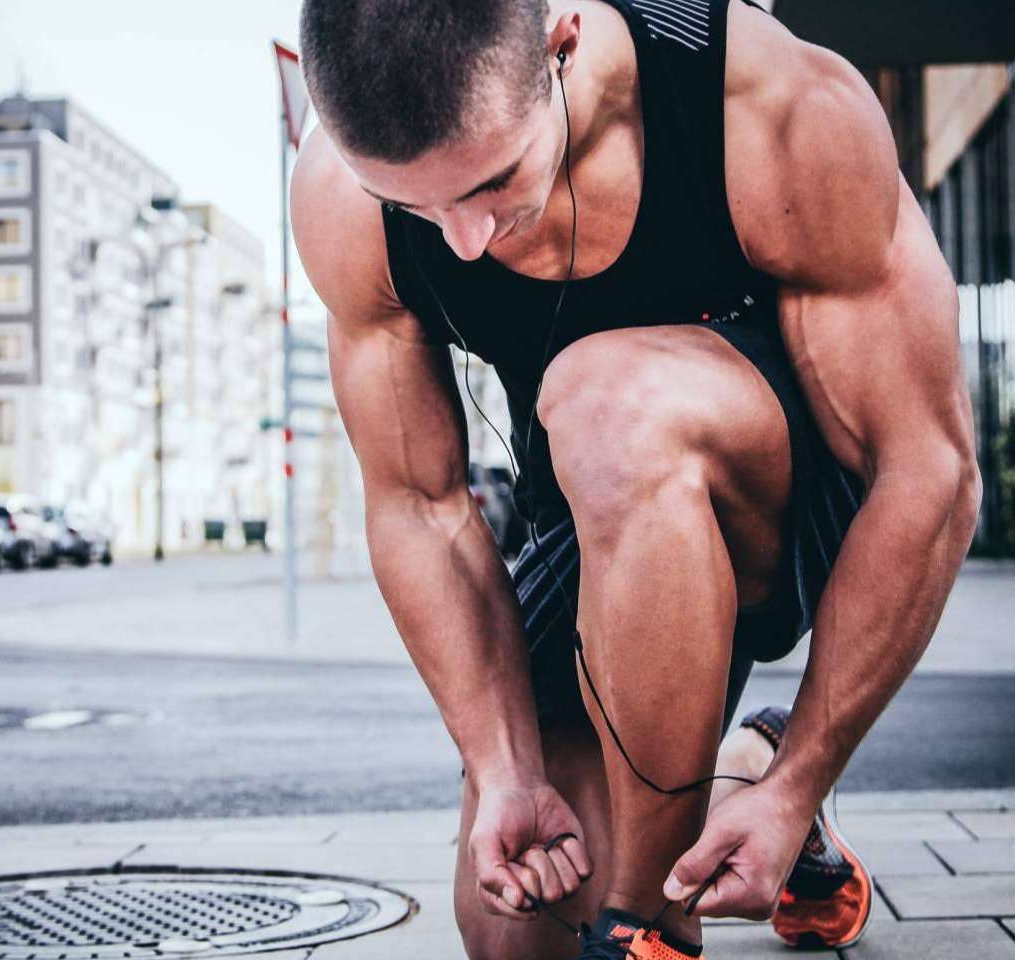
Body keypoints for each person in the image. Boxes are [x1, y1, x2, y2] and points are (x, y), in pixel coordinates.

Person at [289, 0, 981, 957]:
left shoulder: (765, 103)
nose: (463, 240)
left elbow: (927, 469)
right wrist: (504, 769)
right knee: (513, 924)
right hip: (600, 517)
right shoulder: (339, 196)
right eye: (416, 208)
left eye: (492, 181)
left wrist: (805, 783)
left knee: (607, 399)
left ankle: (649, 924)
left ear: (558, 45)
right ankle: (738, 766)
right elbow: (421, 506)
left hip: (805, 499)